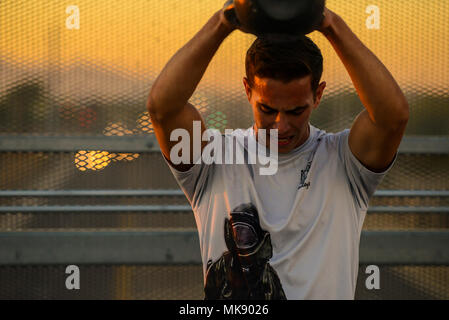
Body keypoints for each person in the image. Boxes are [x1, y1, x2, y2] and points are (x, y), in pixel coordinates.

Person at [146, 3, 409, 299]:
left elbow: (392, 117)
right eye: (267, 109)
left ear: (318, 95)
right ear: (248, 91)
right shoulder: (214, 159)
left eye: (296, 111)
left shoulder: (344, 162)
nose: (281, 126)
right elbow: (162, 109)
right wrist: (226, 20)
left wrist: (328, 23)